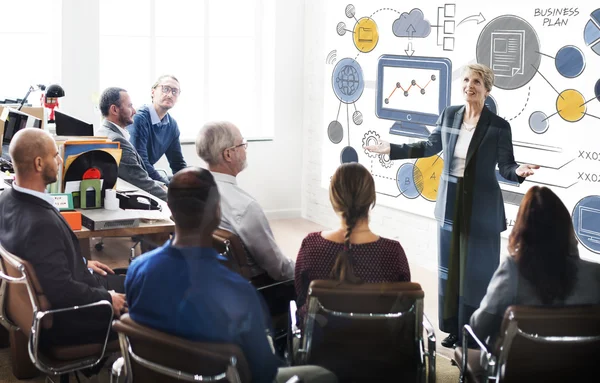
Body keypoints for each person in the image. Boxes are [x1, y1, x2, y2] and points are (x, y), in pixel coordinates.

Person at [364, 63, 539, 348]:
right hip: (449, 204)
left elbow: (506, 166)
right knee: (450, 272)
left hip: (481, 209)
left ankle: (477, 331)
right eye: (467, 80)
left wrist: (518, 172)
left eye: (477, 82)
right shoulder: (449, 115)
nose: (470, 85)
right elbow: (430, 146)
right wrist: (393, 149)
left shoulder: (498, 126)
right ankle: (455, 328)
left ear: (487, 89)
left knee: (478, 274)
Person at [125, 168, 337, 383]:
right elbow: (264, 372)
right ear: (217, 212)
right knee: (324, 376)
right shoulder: (237, 291)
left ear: (170, 208)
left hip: (159, 375)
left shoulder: (138, 271)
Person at [0, 128, 126, 346]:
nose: (60, 160)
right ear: (39, 164)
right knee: (149, 291)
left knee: (130, 276)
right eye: (54, 154)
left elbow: (43, 261)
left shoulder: (6, 199)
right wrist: (108, 299)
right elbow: (63, 291)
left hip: (60, 296)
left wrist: (82, 263)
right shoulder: (41, 223)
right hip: (73, 317)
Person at [470, 186, 600, 346]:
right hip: (578, 368)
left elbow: (478, 328)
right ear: (566, 227)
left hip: (519, 368)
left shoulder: (512, 271)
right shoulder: (595, 274)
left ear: (522, 230)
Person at [295, 163, 411, 324]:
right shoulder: (392, 252)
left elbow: (301, 300)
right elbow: (404, 310)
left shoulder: (312, 246)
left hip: (323, 344)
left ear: (333, 199)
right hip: (381, 345)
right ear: (371, 199)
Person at [195, 121, 295, 281]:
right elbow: (279, 269)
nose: (245, 149)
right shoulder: (245, 207)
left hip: (212, 281)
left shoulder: (193, 191)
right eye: (242, 144)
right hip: (258, 290)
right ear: (228, 154)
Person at [97, 87, 167, 201]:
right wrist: (175, 201)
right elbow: (140, 181)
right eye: (129, 106)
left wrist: (161, 185)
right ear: (114, 110)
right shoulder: (117, 141)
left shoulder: (104, 132)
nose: (134, 111)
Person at [128, 75, 187, 184]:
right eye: (165, 89)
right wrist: (167, 186)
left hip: (145, 177)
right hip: (129, 179)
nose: (170, 95)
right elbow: (141, 162)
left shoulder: (172, 125)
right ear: (153, 92)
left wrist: (190, 184)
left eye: (175, 91)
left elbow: (177, 163)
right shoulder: (139, 119)